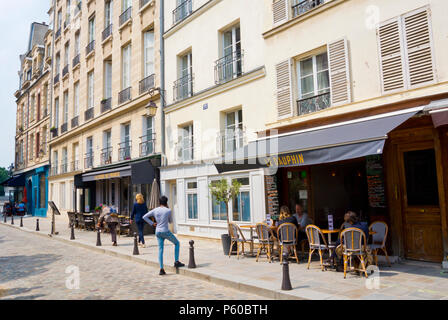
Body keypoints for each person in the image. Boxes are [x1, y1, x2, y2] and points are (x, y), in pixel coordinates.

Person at [143, 196, 185, 275]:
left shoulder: (155, 210)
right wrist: (168, 212)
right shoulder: (168, 210)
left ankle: (161, 269)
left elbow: (144, 217)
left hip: (158, 231)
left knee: (160, 250)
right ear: (166, 202)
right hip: (165, 231)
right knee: (177, 243)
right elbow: (170, 222)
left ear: (159, 202)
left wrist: (152, 223)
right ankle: (176, 261)